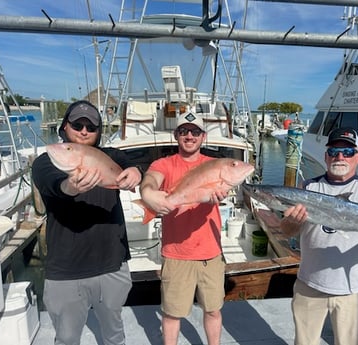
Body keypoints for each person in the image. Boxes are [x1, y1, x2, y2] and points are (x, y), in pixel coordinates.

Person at [280, 127, 358, 345]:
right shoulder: (308, 187)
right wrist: (290, 224)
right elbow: (289, 232)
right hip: (309, 285)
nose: (340, 157)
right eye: (334, 152)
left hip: (352, 291)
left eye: (347, 152)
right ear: (326, 156)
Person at [32, 100, 142, 345]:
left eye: (90, 127)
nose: (83, 131)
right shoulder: (47, 160)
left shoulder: (111, 154)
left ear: (98, 132)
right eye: (77, 125)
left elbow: (131, 163)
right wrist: (69, 187)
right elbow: (51, 182)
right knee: (67, 339)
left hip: (112, 265)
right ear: (64, 127)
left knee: (114, 335)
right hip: (66, 270)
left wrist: (136, 171)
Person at [140, 112, 227, 345]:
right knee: (171, 313)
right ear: (176, 135)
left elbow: (224, 186)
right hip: (176, 253)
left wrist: (222, 191)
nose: (190, 136)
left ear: (203, 136)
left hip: (211, 253)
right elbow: (150, 179)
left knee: (213, 310)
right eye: (184, 131)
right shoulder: (164, 164)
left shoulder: (214, 165)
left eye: (195, 131)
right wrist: (148, 194)